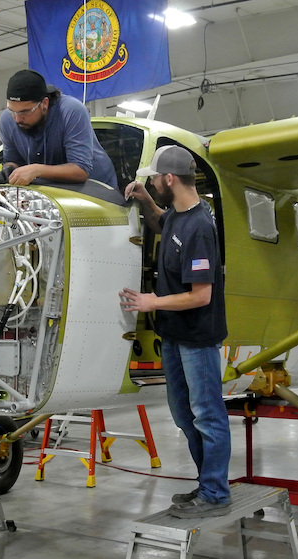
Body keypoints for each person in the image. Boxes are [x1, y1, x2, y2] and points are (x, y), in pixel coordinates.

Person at [119, 145, 230, 518]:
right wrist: (145, 199)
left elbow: (201, 296)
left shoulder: (199, 226)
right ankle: (206, 484)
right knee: (184, 415)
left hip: (197, 337)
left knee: (207, 414)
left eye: (153, 178)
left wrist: (152, 302)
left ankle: (216, 492)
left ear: (169, 179)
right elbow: (162, 222)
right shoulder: (179, 217)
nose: (151, 181)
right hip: (175, 336)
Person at [0, 69, 118, 189]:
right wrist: (9, 169)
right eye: (12, 111)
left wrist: (37, 170)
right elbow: (12, 160)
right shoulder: (7, 120)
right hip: (52, 189)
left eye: (25, 112)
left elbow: (80, 171)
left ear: (44, 103)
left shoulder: (71, 111)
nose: (17, 119)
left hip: (97, 189)